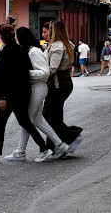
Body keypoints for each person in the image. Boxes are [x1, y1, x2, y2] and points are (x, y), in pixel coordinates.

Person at [0, 24, 52, 163]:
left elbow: (3, 77)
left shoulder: (6, 52)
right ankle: (43, 147)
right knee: (25, 122)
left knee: (0, 123)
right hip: (21, 95)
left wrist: (2, 97)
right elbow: (25, 74)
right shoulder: (21, 50)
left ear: (1, 37)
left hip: (9, 96)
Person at [8, 26, 67, 161]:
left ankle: (21, 151)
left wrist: (25, 74)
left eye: (18, 36)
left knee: (26, 120)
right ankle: (59, 144)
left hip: (38, 87)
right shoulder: (31, 50)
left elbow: (44, 72)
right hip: (36, 87)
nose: (16, 39)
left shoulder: (34, 51)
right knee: (36, 119)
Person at [40, 18, 85, 157]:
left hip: (57, 85)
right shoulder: (66, 44)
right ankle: (57, 146)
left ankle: (70, 137)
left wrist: (38, 73)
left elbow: (52, 68)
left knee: (50, 117)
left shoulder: (58, 46)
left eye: (47, 31)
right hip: (60, 83)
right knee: (52, 116)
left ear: (55, 31)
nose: (43, 34)